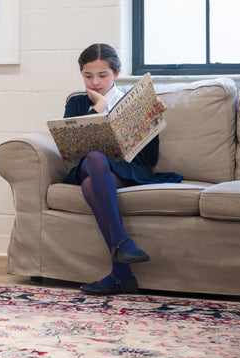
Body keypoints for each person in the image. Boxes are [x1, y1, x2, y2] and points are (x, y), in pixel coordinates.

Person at [63, 43, 183, 296]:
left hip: (125, 171)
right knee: (95, 157)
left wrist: (153, 121)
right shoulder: (76, 103)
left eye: (102, 75)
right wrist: (96, 108)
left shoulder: (135, 102)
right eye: (88, 76)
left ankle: (122, 275)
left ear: (116, 74)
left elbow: (148, 159)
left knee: (90, 186)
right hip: (88, 166)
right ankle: (122, 241)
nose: (95, 82)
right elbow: (72, 152)